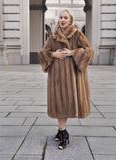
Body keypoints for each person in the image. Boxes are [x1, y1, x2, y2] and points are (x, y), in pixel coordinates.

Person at [38, 10, 94, 150]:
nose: (62, 20)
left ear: (70, 19)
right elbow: (43, 53)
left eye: (65, 17)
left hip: (72, 77)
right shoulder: (53, 37)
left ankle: (63, 133)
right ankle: (61, 130)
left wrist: (72, 52)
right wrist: (53, 54)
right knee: (59, 105)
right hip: (56, 77)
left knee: (65, 105)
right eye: (61, 17)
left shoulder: (77, 34)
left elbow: (88, 51)